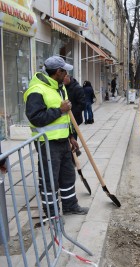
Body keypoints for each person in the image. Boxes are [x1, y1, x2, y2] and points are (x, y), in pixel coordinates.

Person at [24, 56, 89, 216]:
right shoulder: (36, 90)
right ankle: (52, 213)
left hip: (63, 141)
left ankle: (70, 206)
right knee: (49, 180)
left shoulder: (59, 87)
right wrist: (59, 110)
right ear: (58, 72)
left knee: (68, 175)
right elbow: (36, 118)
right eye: (64, 70)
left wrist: (71, 137)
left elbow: (65, 118)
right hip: (47, 143)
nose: (67, 73)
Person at [64, 75, 85, 140]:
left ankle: (74, 149)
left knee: (73, 137)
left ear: (68, 77)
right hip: (64, 119)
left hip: (74, 119)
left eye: (64, 79)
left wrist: (71, 113)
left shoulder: (77, 88)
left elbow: (82, 104)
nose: (63, 81)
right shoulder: (62, 88)